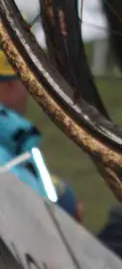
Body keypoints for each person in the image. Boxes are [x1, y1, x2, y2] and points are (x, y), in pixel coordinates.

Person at [0, 47, 82, 219]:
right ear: (10, 84)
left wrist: (62, 194)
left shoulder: (15, 137)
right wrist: (65, 204)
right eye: (26, 82)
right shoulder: (14, 137)